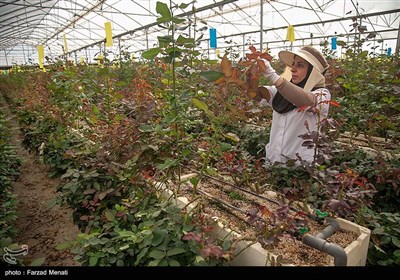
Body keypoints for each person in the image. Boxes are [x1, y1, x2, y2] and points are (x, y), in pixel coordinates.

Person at [250, 45, 330, 164]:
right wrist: (250, 74)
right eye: (293, 64)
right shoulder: (280, 93)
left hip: (300, 168)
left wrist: (272, 75)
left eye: (300, 65)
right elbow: (255, 93)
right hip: (274, 161)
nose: (293, 69)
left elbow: (305, 99)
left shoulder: (322, 95)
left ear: (312, 72)